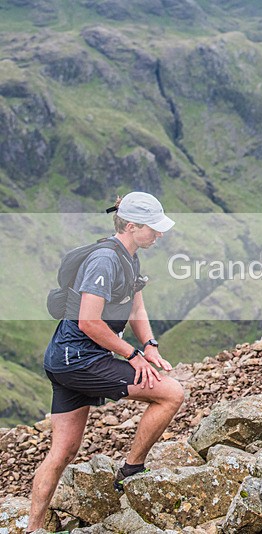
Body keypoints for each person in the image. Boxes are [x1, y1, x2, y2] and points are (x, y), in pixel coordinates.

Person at [27, 192, 184, 532]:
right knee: (170, 394)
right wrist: (132, 354)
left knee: (64, 450)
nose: (159, 235)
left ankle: (33, 527)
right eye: (153, 229)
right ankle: (131, 470)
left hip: (69, 358)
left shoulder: (130, 257)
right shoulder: (104, 261)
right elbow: (89, 321)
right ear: (131, 226)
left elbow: (136, 308)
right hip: (78, 360)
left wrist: (150, 344)